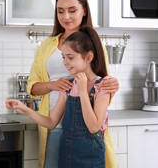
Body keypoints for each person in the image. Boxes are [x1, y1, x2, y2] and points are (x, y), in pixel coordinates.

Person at [26, 0, 119, 168]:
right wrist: (54, 85)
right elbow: (33, 87)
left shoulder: (95, 45)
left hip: (88, 127)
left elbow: (102, 86)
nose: (66, 17)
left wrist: (113, 85)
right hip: (56, 122)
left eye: (72, 10)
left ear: (84, 11)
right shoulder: (47, 45)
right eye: (60, 11)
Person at [7, 25, 111, 167]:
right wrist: (25, 109)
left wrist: (82, 91)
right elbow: (51, 122)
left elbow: (93, 127)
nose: (65, 63)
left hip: (91, 158)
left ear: (88, 57)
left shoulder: (102, 86)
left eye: (70, 57)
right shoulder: (69, 86)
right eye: (63, 57)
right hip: (67, 154)